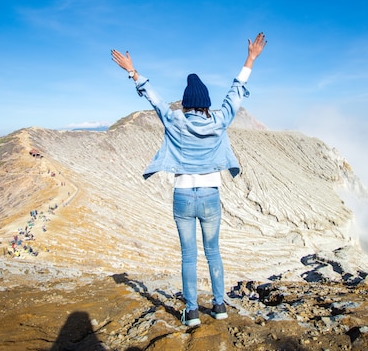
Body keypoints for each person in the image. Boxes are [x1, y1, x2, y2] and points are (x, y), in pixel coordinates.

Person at [111, 32, 267, 327]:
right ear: (206, 103)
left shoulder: (174, 120)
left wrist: (132, 71)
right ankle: (220, 306)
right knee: (213, 252)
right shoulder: (219, 121)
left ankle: (192, 312)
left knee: (188, 256)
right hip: (210, 194)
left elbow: (153, 98)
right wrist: (251, 58)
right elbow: (236, 90)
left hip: (182, 195)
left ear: (184, 103)